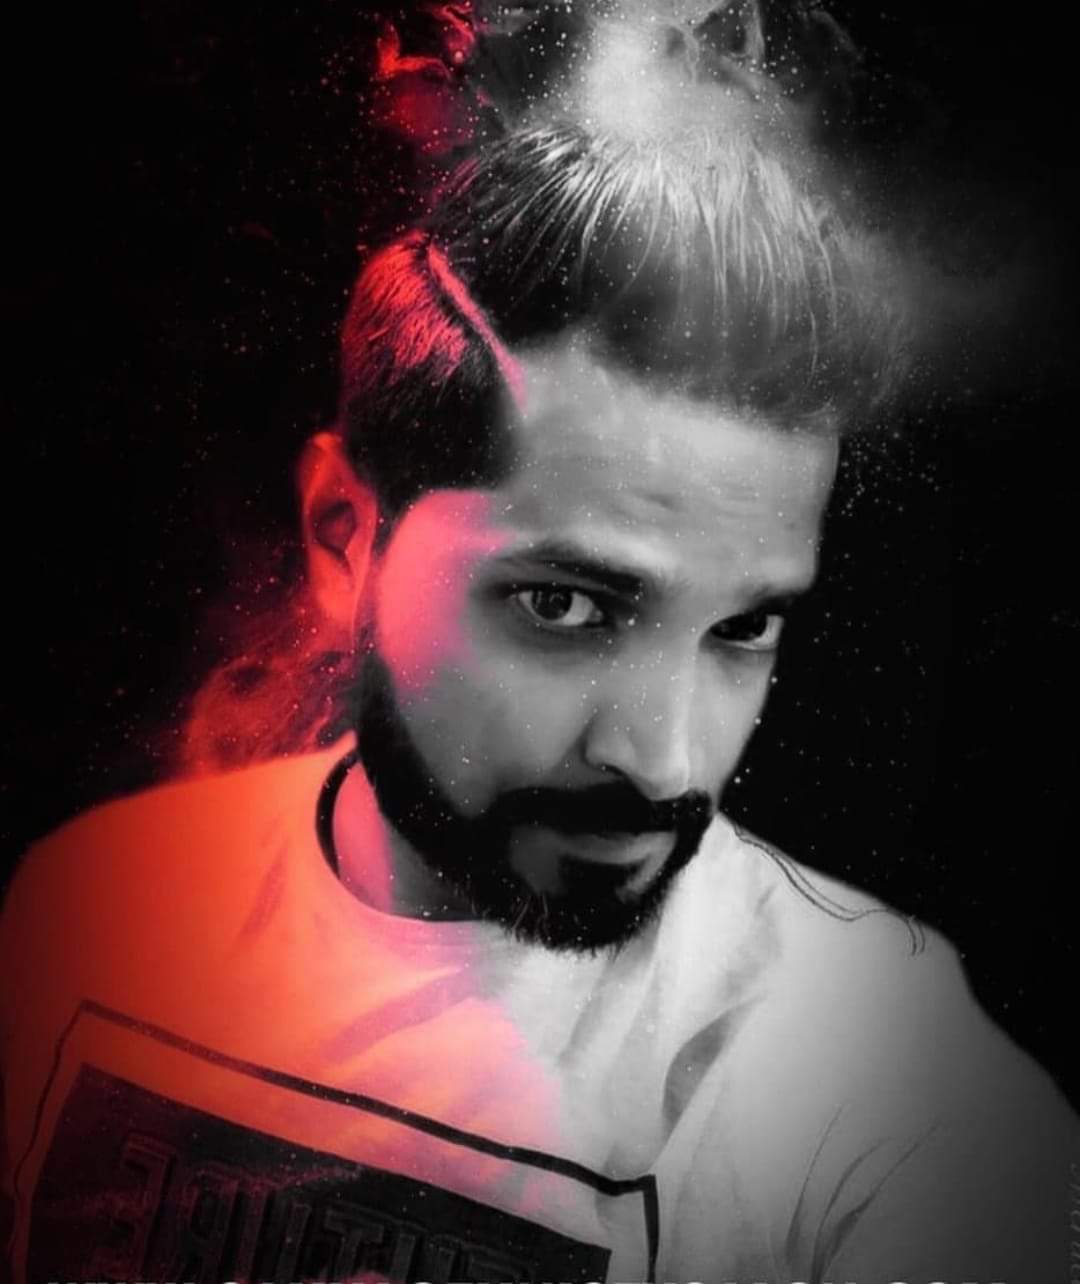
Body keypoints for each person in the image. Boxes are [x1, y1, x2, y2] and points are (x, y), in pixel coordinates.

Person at [1, 9, 1075, 1284]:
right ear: (346, 541)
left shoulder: (880, 1088)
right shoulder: (93, 906)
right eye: (567, 607)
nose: (666, 759)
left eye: (742, 627)